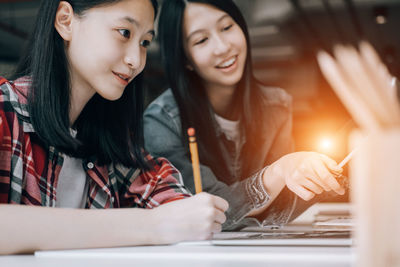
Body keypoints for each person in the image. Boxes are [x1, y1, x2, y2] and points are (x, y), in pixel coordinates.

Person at [0, 0, 229, 255]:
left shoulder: (112, 148)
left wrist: (191, 216)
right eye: (124, 33)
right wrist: (153, 225)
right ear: (65, 20)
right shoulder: (4, 112)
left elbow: (176, 203)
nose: (135, 60)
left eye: (144, 43)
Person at [144, 0, 346, 230]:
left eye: (227, 27)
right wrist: (280, 170)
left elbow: (280, 207)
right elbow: (212, 211)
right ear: (185, 60)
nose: (222, 47)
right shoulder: (161, 121)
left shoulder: (276, 105)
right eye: (201, 40)